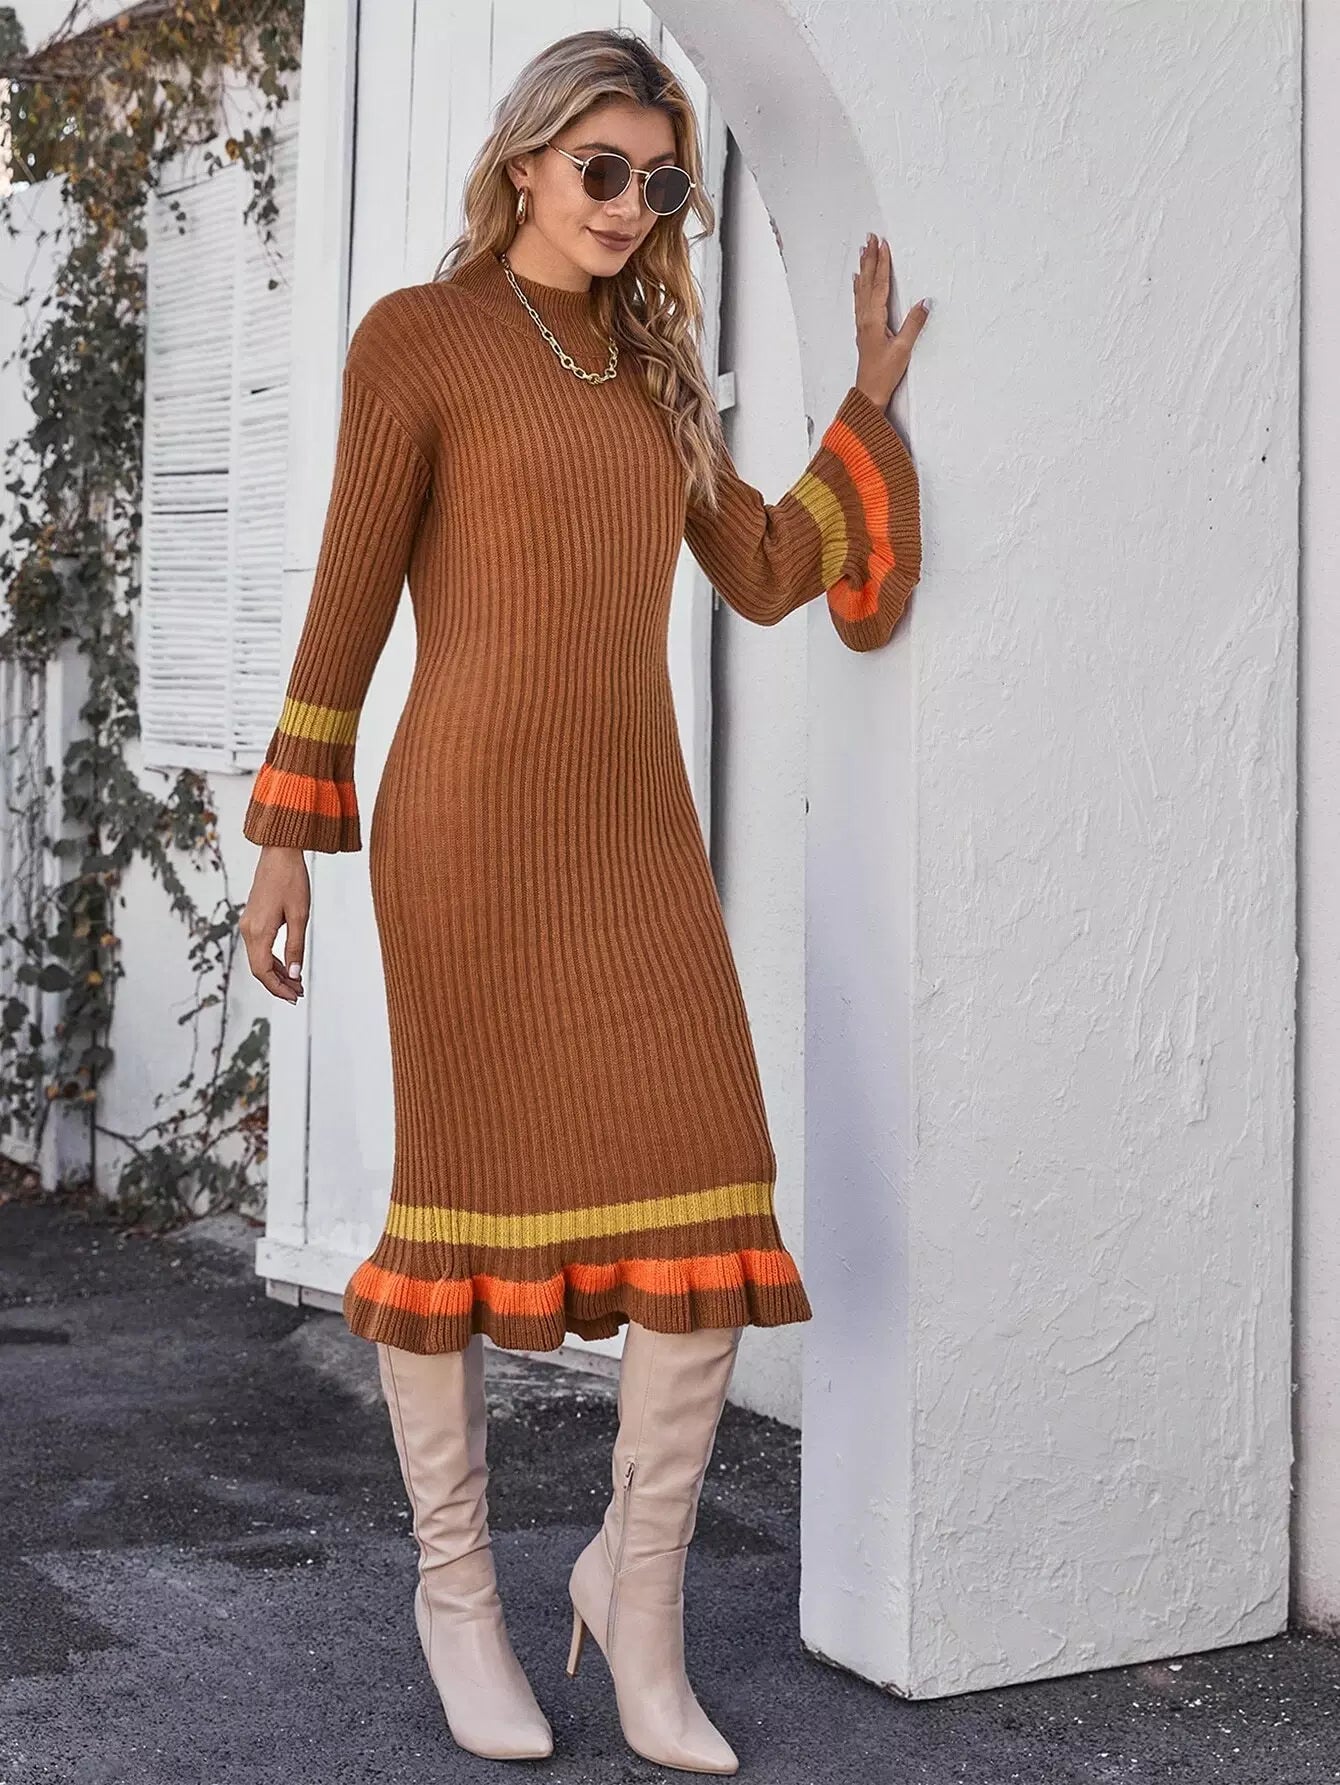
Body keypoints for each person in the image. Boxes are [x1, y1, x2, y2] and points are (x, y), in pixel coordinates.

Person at [238, 24, 927, 1776]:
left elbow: (762, 566)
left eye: (660, 179)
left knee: (711, 1193)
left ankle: (636, 1585)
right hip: (465, 833)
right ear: (527, 160)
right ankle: (458, 1592)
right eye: (601, 167)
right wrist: (287, 830)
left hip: (631, 836)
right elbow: (349, 598)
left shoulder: (653, 367)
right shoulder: (421, 339)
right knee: (455, 1218)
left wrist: (863, 417)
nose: (629, 204)